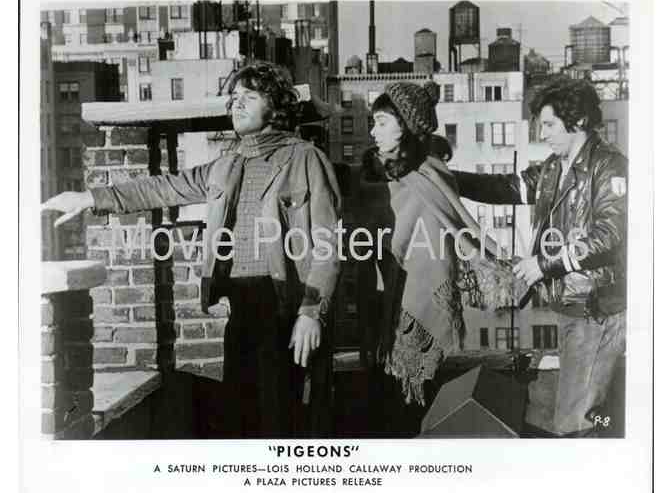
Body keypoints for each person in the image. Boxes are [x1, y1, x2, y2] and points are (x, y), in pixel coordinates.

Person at [41, 61, 342, 438]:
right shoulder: (225, 166)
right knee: (243, 422)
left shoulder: (305, 159)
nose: (237, 104)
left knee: (285, 420)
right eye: (234, 97)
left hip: (285, 306)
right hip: (241, 309)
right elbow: (163, 187)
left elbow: (328, 246)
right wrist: (89, 198)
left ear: (275, 106)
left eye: (250, 96)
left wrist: (311, 313)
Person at [452, 77, 627, 437]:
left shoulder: (609, 166)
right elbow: (505, 187)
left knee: (577, 422)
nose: (542, 133)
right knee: (555, 414)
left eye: (548, 125)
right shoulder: (553, 167)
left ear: (578, 121)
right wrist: (445, 178)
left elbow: (609, 236)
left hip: (595, 312)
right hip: (569, 309)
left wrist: (543, 265)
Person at [355, 81, 524, 436]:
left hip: (416, 298)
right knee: (377, 396)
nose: (373, 131)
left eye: (382, 122)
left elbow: (455, 228)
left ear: (406, 126)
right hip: (376, 291)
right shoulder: (370, 177)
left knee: (412, 400)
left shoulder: (430, 174)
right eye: (374, 122)